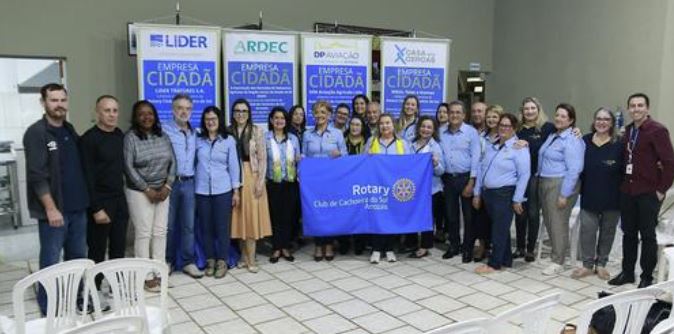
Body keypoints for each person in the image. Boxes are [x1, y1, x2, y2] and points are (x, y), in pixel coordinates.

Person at [24, 83, 89, 315]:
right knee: (51, 259)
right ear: (43, 102)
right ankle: (48, 305)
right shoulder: (36, 133)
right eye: (54, 100)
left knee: (78, 257)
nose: (59, 104)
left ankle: (78, 296)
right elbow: (37, 176)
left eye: (62, 100)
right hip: (55, 211)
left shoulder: (69, 129)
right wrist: (51, 209)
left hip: (78, 208)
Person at [609, 93, 674, 288]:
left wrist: (661, 190)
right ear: (629, 109)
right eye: (633, 106)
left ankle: (646, 277)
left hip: (648, 192)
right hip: (628, 190)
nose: (636, 109)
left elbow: (670, 163)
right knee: (628, 234)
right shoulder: (628, 130)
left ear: (647, 108)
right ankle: (628, 272)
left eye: (640, 105)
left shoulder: (657, 130)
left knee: (647, 236)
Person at [123, 100, 175, 292]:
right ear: (136, 117)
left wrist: (168, 186)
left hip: (163, 190)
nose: (146, 117)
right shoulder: (130, 138)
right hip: (139, 192)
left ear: (155, 116)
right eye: (142, 114)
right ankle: (145, 276)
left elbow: (173, 162)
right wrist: (147, 189)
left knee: (160, 232)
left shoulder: (163, 136)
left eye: (150, 113)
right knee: (144, 233)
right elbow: (128, 167)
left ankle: (159, 272)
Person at [473, 113, 530, 274]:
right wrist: (478, 192)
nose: (504, 128)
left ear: (514, 128)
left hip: (504, 193)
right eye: (502, 125)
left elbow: (524, 175)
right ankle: (506, 260)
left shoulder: (519, 148)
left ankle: (494, 263)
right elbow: (481, 168)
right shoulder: (493, 144)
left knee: (499, 229)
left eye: (508, 126)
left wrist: (518, 199)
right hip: (488, 193)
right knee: (500, 228)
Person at [80, 95, 128, 289]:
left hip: (119, 200)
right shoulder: (88, 139)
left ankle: (117, 289)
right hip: (100, 202)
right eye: (107, 110)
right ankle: (94, 290)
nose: (112, 114)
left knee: (119, 248)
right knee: (97, 251)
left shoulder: (119, 135)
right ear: (97, 112)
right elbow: (86, 178)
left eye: (115, 110)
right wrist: (96, 208)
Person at [572, 108, 622, 280]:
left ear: (612, 123)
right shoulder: (584, 141)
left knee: (607, 232)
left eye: (606, 119)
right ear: (594, 121)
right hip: (589, 196)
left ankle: (601, 264)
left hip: (613, 199)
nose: (602, 122)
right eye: (599, 118)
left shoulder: (619, 144)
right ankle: (587, 265)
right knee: (587, 232)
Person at [538, 103, 585, 276]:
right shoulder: (553, 135)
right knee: (551, 221)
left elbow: (574, 169)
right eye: (557, 115)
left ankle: (558, 261)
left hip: (560, 183)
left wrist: (564, 194)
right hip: (546, 181)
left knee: (558, 222)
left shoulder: (572, 139)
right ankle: (556, 255)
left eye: (563, 116)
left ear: (571, 120)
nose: (558, 118)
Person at [195, 106, 240, 278]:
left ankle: (222, 260)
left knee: (222, 227)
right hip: (202, 190)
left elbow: (234, 167)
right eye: (207, 119)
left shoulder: (228, 140)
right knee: (206, 227)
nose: (210, 122)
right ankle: (210, 260)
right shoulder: (198, 140)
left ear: (219, 120)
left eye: (213, 119)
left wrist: (236, 191)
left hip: (223, 190)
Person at [230, 98, 272, 273]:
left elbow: (263, 159)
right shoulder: (227, 131)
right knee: (238, 218)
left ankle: (252, 257)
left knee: (251, 218)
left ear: (249, 114)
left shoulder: (257, 131)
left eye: (244, 111)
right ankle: (242, 256)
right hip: (232, 177)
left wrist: (260, 182)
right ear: (233, 113)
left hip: (251, 176)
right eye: (238, 111)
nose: (241, 114)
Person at [364, 113, 413, 263]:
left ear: (393, 125)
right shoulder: (372, 141)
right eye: (382, 123)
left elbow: (410, 163)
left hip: (395, 187)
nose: (385, 126)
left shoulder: (402, 143)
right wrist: (368, 156)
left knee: (392, 217)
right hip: (377, 187)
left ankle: (390, 248)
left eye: (388, 123)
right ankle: (376, 249)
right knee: (377, 218)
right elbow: (362, 163)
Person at [163, 94, 203, 278]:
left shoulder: (195, 132)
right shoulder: (164, 129)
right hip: (170, 184)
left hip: (189, 183)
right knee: (169, 226)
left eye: (187, 108)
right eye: (180, 108)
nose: (183, 111)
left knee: (188, 225)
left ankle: (188, 261)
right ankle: (167, 261)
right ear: (173, 110)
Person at [303, 100, 347, 261]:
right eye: (317, 112)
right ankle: (318, 245)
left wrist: (339, 155)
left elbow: (346, 157)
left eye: (323, 112)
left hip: (332, 180)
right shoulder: (307, 134)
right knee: (315, 212)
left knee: (330, 211)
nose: (319, 115)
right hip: (314, 182)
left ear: (329, 115)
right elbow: (304, 156)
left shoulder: (337, 133)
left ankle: (328, 244)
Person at [439, 101, 481, 262]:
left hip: (466, 178)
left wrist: (472, 182)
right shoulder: (441, 132)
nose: (454, 115)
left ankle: (468, 248)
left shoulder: (471, 133)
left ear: (464, 115)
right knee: (451, 215)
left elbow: (476, 159)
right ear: (447, 114)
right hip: (448, 179)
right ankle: (454, 245)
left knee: (469, 216)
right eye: (451, 112)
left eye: (458, 112)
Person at [515, 97, 555, 262]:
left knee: (532, 212)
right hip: (519, 176)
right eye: (526, 109)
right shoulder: (517, 130)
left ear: (538, 110)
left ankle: (530, 249)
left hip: (536, 176)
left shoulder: (547, 128)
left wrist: (576, 131)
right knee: (519, 212)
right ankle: (519, 247)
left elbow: (566, 133)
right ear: (522, 111)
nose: (529, 111)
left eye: (533, 108)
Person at [265, 106, 300, 263]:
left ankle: (285, 247)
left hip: (290, 182)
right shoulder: (265, 138)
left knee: (288, 216)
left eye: (282, 118)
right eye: (276, 118)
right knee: (274, 216)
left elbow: (298, 160)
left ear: (286, 121)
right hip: (273, 183)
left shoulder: (293, 139)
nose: (279, 121)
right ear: (272, 120)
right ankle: (276, 248)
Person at [408, 116, 445, 258]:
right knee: (412, 215)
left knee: (427, 218)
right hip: (413, 189)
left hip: (431, 189)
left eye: (429, 127)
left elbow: (441, 171)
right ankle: (410, 243)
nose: (425, 129)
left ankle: (425, 246)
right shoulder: (410, 144)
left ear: (433, 130)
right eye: (423, 126)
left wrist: (435, 163)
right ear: (419, 128)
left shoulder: (436, 147)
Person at [472, 105, 502, 261]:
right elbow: (477, 163)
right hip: (482, 183)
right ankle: (483, 246)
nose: (491, 120)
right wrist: (477, 192)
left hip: (499, 185)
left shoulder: (507, 137)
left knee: (496, 219)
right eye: (489, 117)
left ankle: (496, 249)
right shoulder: (480, 137)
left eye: (495, 117)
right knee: (481, 218)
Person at [343, 116, 369, 255]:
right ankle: (344, 243)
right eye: (352, 124)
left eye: (358, 125)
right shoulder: (342, 140)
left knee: (360, 213)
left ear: (362, 127)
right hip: (345, 182)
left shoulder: (368, 142)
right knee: (345, 212)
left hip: (361, 183)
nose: (354, 127)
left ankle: (360, 243)